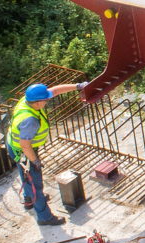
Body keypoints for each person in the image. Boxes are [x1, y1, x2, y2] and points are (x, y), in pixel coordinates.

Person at [8, 82, 89, 226]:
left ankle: (29, 200)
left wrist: (78, 86)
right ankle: (44, 217)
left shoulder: (28, 100)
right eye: (45, 100)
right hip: (24, 152)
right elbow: (25, 145)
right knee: (35, 182)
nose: (47, 101)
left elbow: (56, 91)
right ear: (38, 102)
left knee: (27, 177)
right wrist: (35, 161)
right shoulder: (30, 120)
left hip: (19, 146)